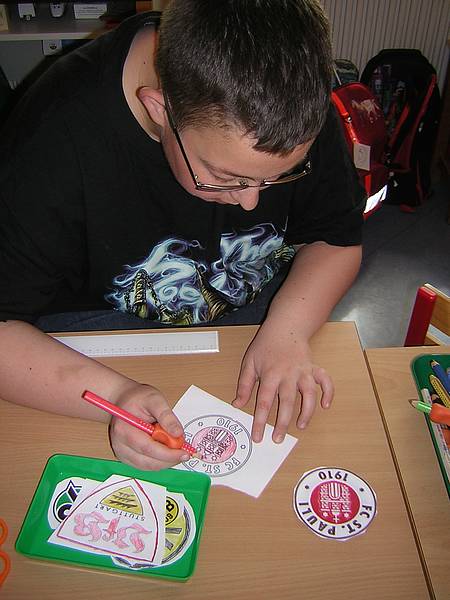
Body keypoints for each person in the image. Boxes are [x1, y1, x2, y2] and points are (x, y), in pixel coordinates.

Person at [0, 0, 365, 470]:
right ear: (159, 109)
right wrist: (116, 396)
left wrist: (288, 330)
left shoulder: (290, 101)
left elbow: (337, 236)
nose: (251, 202)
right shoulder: (54, 137)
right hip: (94, 341)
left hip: (262, 313)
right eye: (226, 177)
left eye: (281, 176)